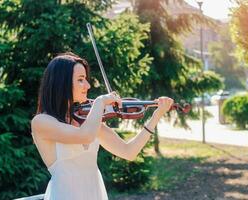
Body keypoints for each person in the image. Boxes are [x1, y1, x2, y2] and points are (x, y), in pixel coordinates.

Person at [31, 52, 174, 200]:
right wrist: (99, 102)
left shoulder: (87, 119)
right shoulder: (42, 122)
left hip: (94, 194)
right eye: (81, 80)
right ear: (62, 83)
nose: (87, 85)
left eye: (86, 79)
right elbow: (84, 136)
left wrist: (156, 115)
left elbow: (128, 152)